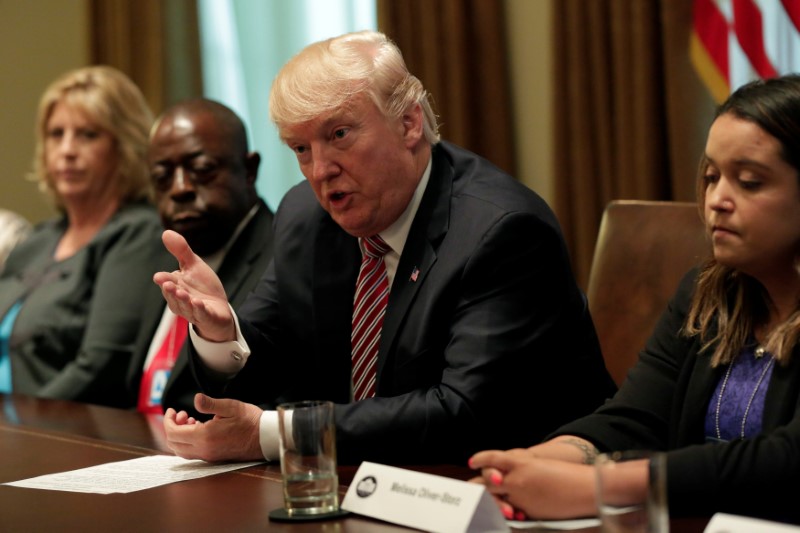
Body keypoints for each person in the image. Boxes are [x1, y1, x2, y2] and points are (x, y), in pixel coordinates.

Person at [156, 30, 616, 465]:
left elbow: (464, 414)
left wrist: (274, 435)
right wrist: (220, 334)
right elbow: (269, 361)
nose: (320, 170)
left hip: (518, 493)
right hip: (366, 484)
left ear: (409, 122)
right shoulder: (307, 217)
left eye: (338, 135)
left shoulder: (502, 232)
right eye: (300, 148)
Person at [469, 74, 800, 524]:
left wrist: (599, 486)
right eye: (710, 176)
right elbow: (635, 417)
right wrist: (529, 467)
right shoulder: (706, 294)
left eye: (749, 181)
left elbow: (786, 458)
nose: (717, 200)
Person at [0, 66, 161, 406]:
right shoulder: (37, 240)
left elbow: (102, 364)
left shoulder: (138, 232)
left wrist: (19, 427)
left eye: (88, 134)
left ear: (124, 145)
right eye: (57, 134)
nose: (68, 150)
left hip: (58, 433)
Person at [125, 98, 275, 416]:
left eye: (202, 170)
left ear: (249, 170)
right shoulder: (157, 257)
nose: (180, 188)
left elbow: (270, 388)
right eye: (163, 177)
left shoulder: (282, 254)